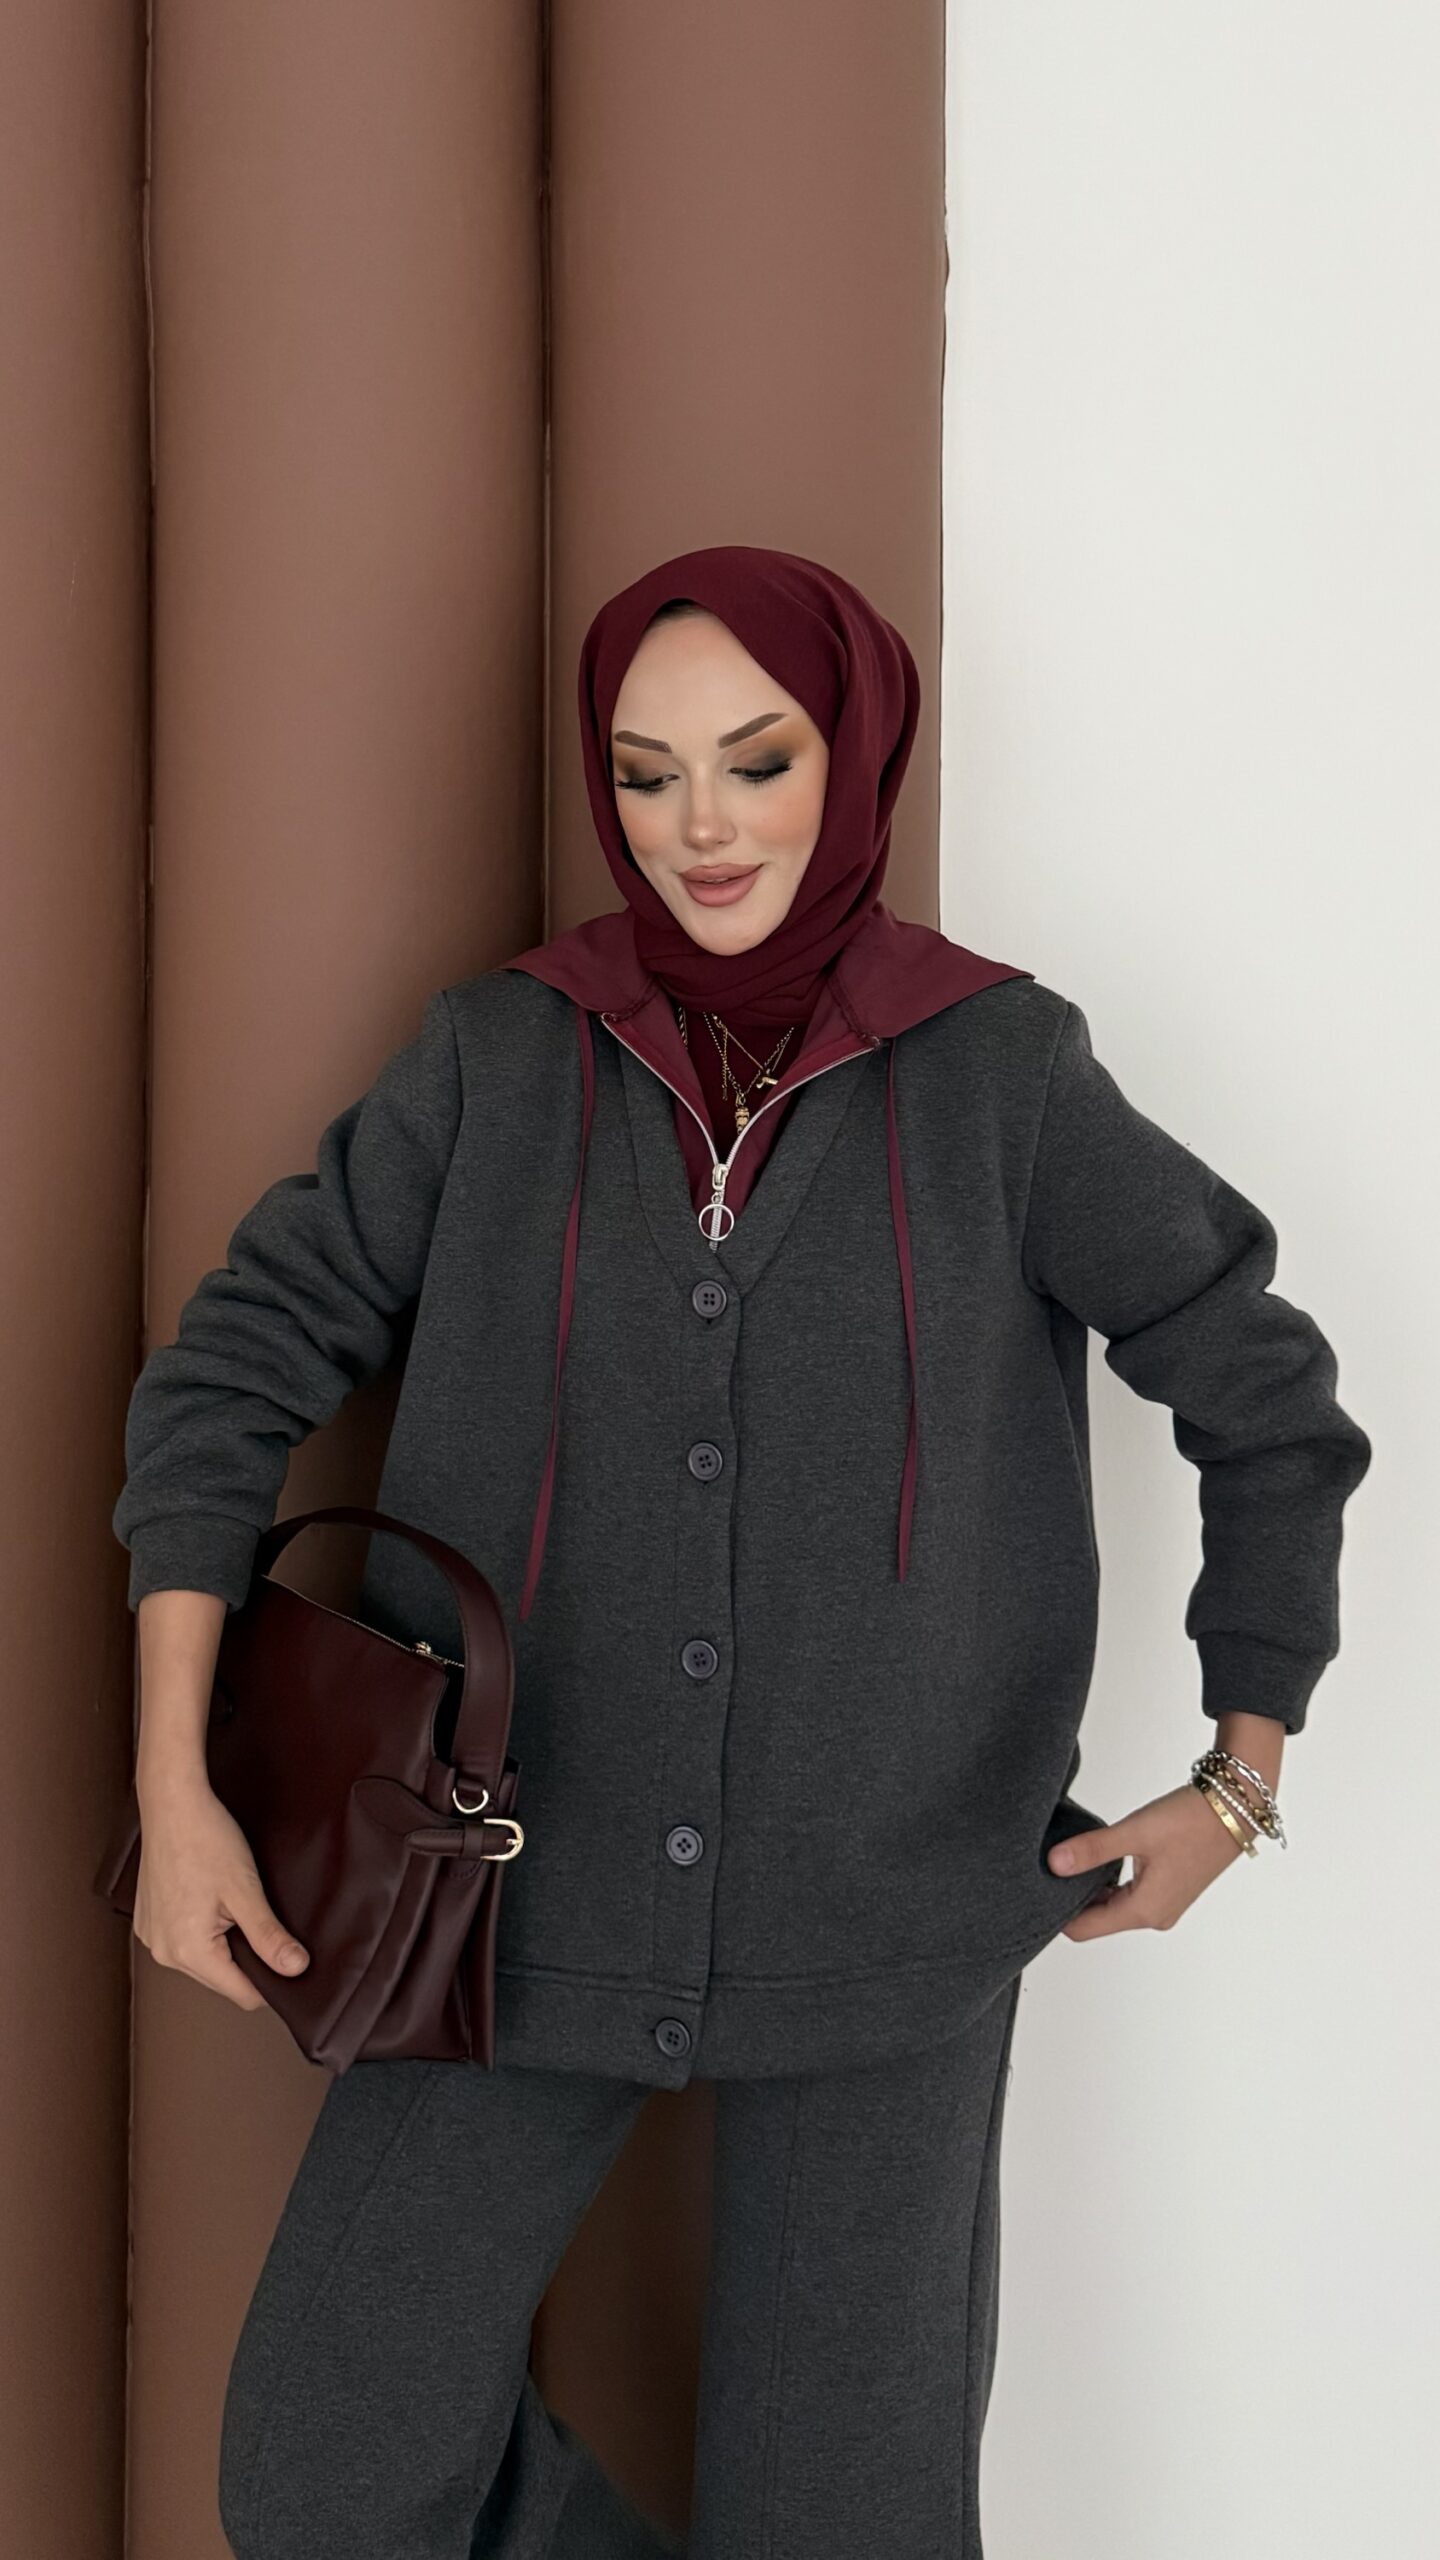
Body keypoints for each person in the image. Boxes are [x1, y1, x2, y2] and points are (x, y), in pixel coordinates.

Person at [112, 545, 1372, 2559]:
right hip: (497, 1902)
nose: (699, 824)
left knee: (841, 2521)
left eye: (757, 760)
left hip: (896, 1919)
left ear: (852, 758)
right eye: (645, 772)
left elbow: (1270, 1401)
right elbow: (233, 1368)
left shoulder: (1004, 1076)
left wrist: (1245, 1766)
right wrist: (175, 1781)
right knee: (326, 2473)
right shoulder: (499, 1054)